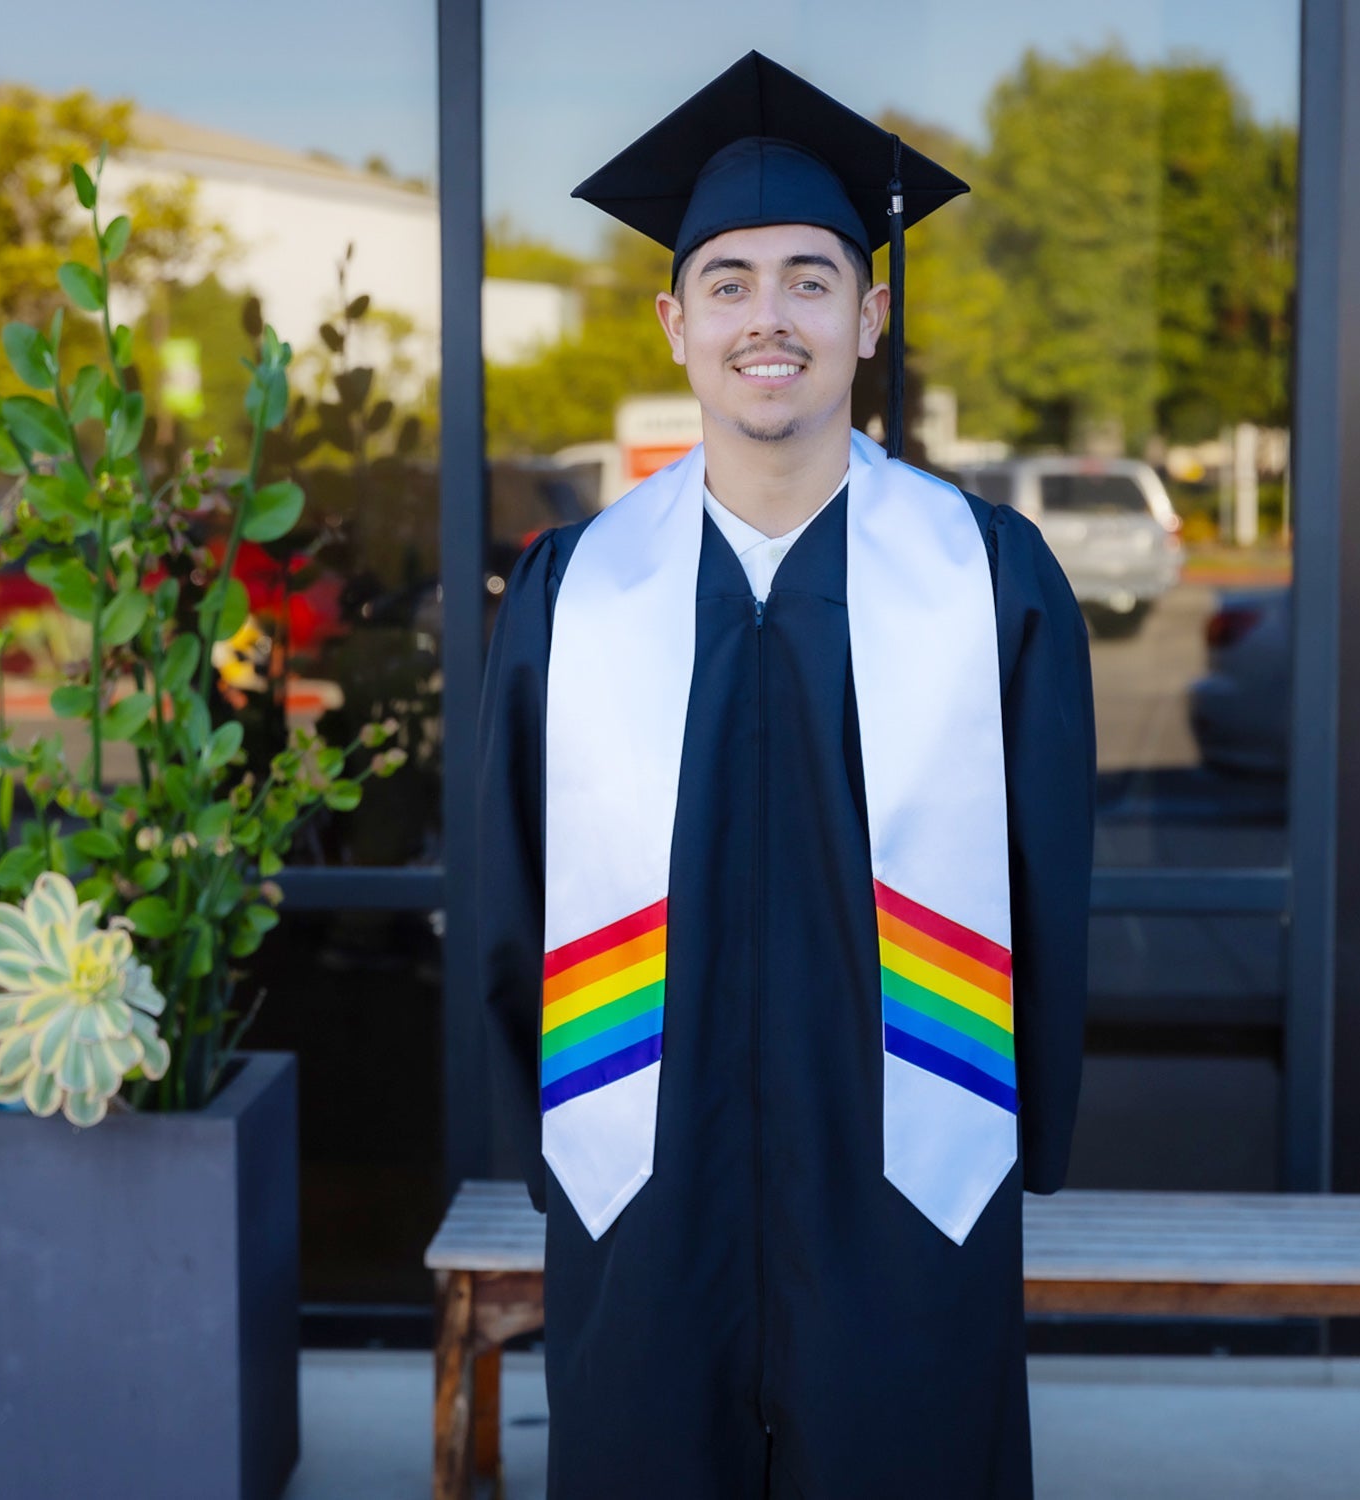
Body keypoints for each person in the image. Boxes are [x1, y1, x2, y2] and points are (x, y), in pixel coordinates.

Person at [477, 51, 1096, 1499]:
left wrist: (1021, 1142)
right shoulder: (577, 591)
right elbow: (510, 886)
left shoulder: (984, 577)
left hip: (907, 1176)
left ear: (870, 316)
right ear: (675, 321)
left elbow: (1044, 885)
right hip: (647, 1173)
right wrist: (546, 1143)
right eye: (733, 280)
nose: (773, 316)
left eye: (813, 279)